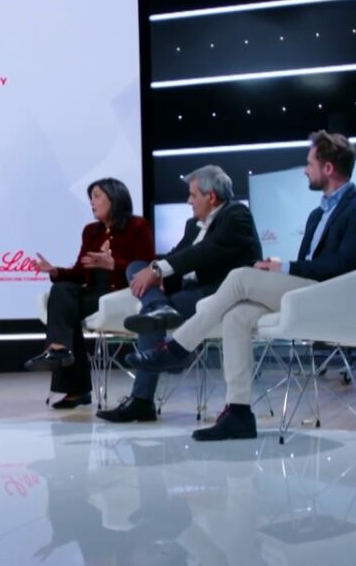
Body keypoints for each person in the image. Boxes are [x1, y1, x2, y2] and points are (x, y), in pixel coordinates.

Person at [125, 131, 356, 441]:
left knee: (241, 276)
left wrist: (284, 268)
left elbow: (343, 265)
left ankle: (175, 349)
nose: (305, 170)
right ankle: (238, 413)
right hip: (308, 290)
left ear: (328, 168)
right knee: (236, 316)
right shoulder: (318, 214)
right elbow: (312, 263)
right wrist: (280, 267)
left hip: (333, 295)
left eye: (310, 163)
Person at [97, 165, 261, 423]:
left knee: (150, 313)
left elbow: (203, 252)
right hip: (188, 290)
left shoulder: (236, 214)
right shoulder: (193, 225)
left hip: (219, 294)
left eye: (193, 195)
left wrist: (158, 271)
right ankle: (158, 307)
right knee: (136, 268)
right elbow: (177, 255)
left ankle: (141, 401)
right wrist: (156, 274)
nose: (188, 201)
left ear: (211, 196)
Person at [25, 178, 155, 409]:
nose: (92, 203)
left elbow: (146, 268)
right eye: (91, 198)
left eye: (97, 196)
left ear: (114, 198)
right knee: (61, 290)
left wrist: (113, 264)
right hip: (94, 294)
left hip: (121, 295)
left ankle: (76, 388)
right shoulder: (90, 231)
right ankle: (59, 349)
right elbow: (79, 272)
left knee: (68, 311)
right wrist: (55, 271)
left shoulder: (137, 226)